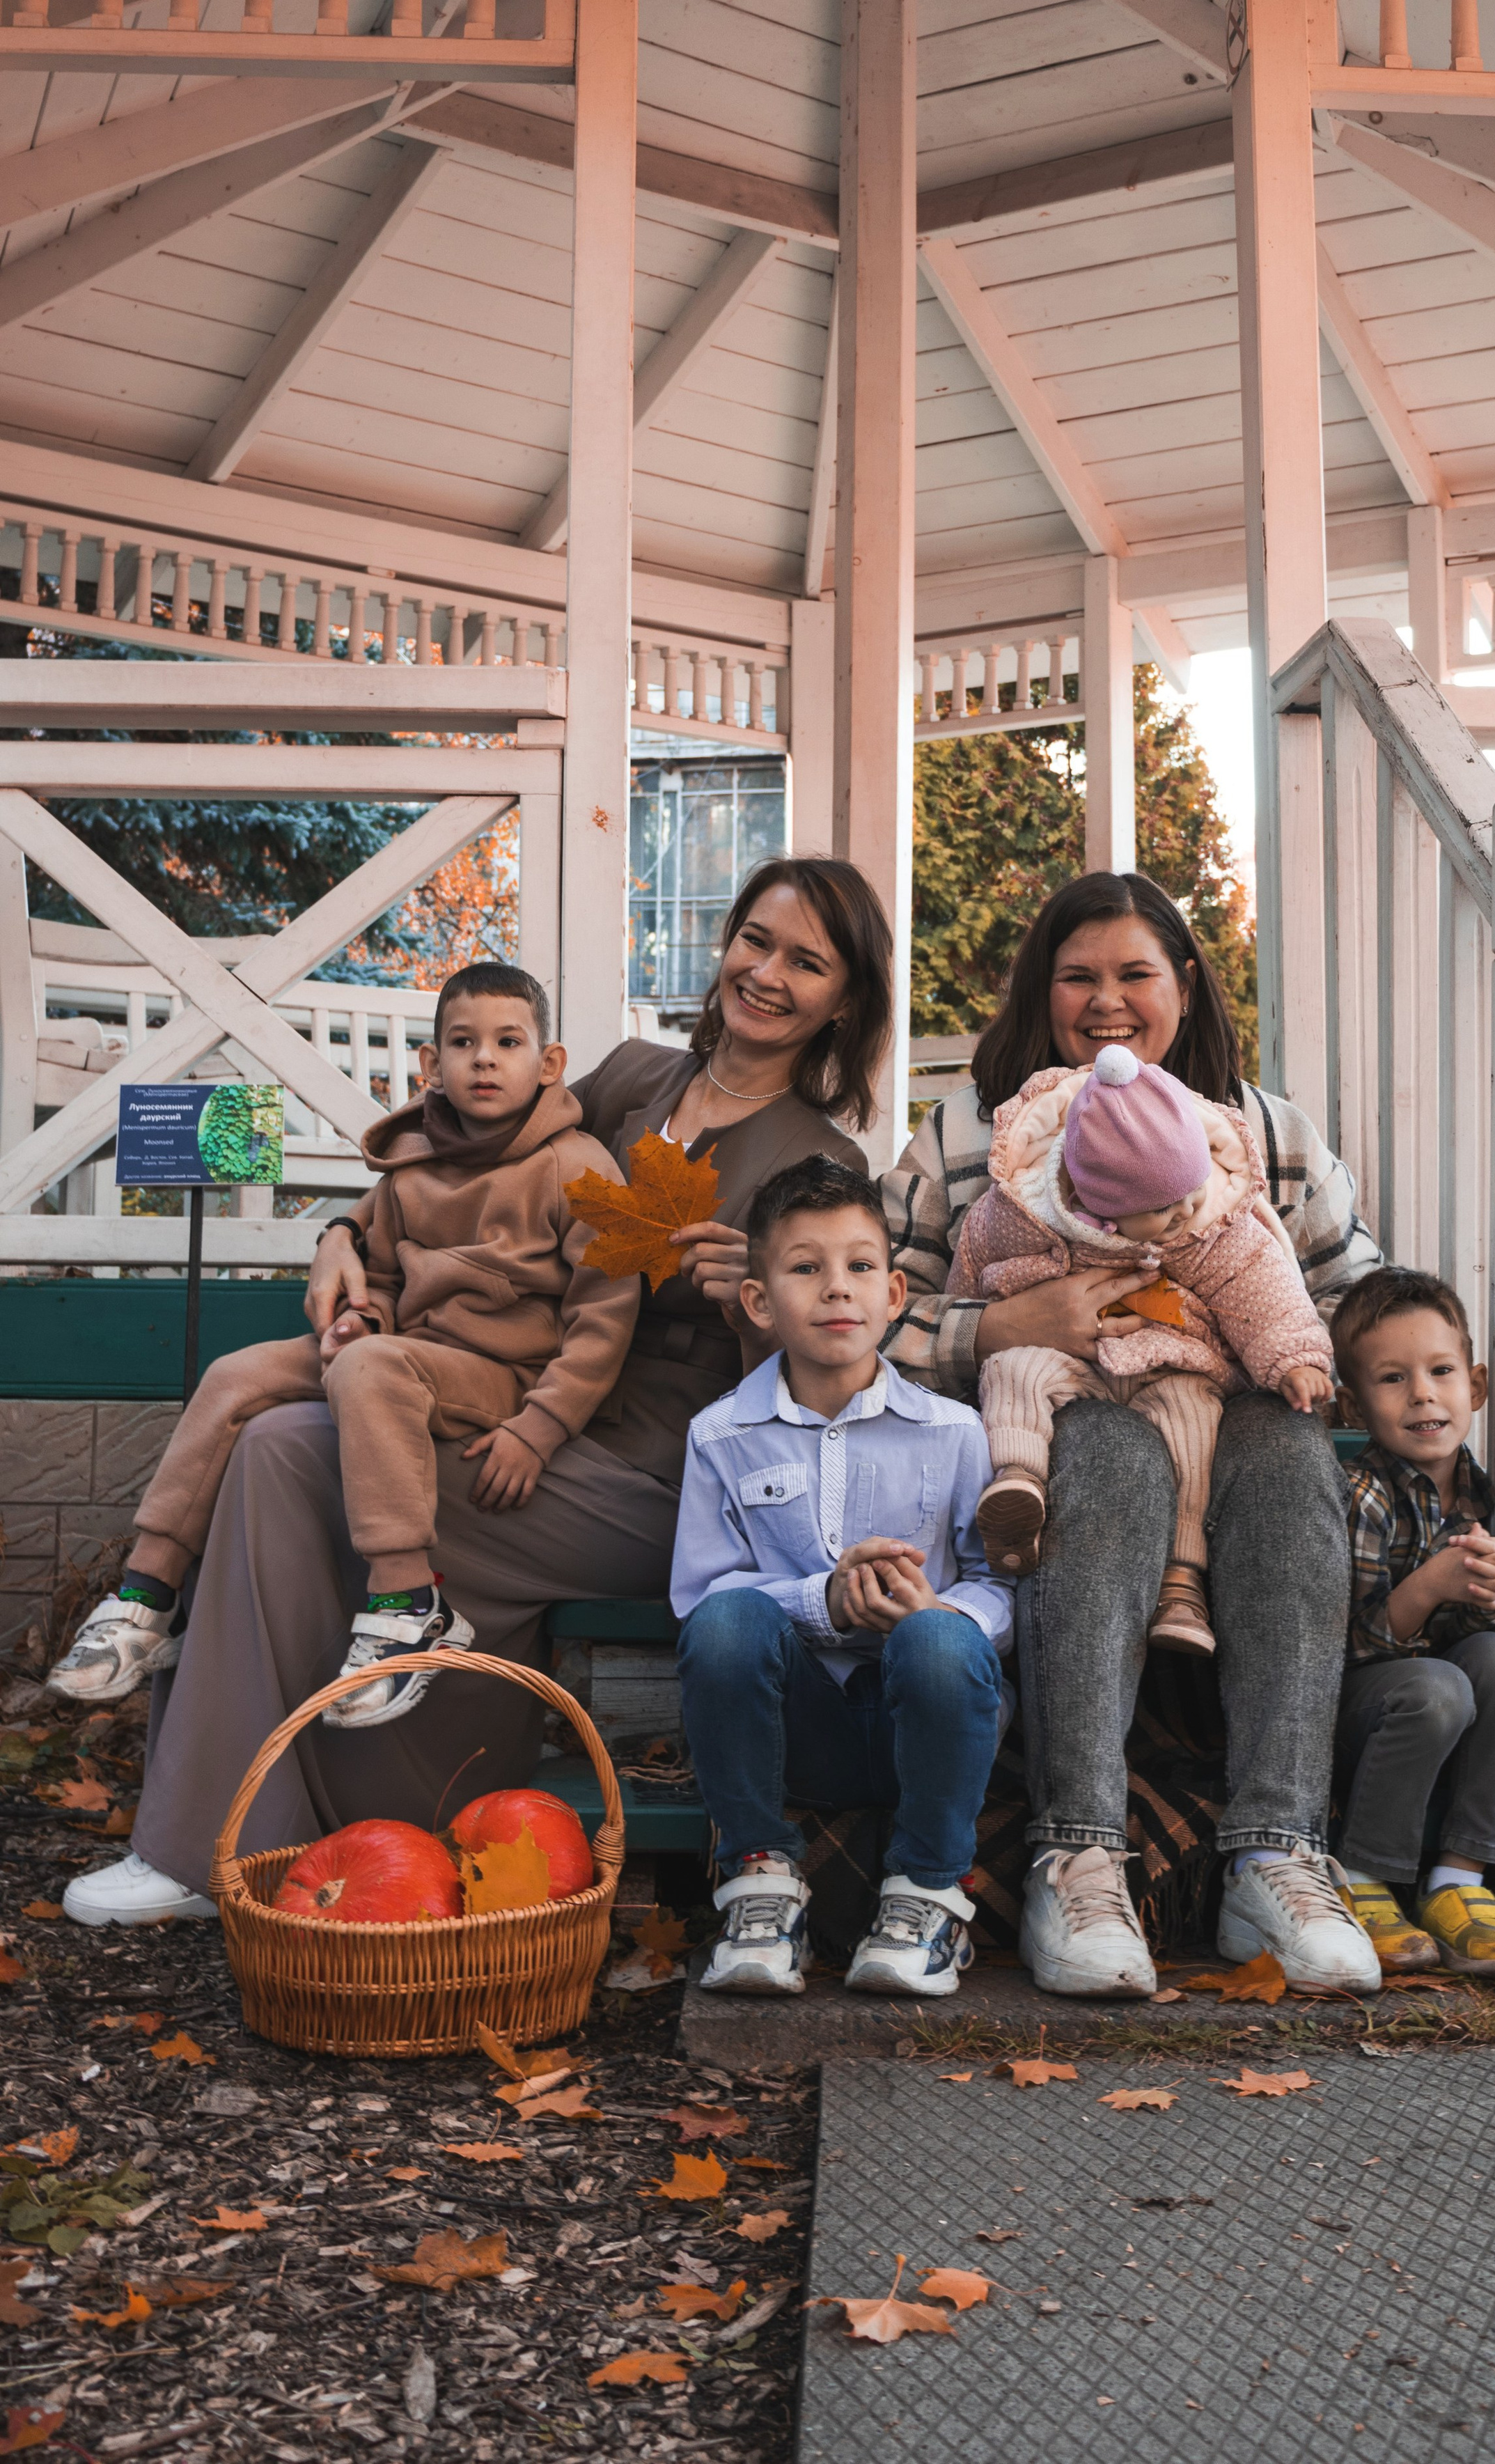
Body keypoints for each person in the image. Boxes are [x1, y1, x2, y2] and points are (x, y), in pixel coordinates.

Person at [62, 857, 892, 1928]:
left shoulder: (821, 1158)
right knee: (275, 1436)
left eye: (807, 963)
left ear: (845, 1000)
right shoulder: (629, 1077)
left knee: (288, 1451)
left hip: (651, 1469)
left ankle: (230, 1837)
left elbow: (822, 1385)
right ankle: (239, 1837)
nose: (768, 974)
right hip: (507, 1386)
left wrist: (755, 1309)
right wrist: (342, 1235)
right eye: (756, 941)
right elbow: (458, 1160)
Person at [882, 870, 1385, 1999]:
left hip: (1228, 1417)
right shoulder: (972, 1133)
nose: (1106, 1000)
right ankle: (1079, 1855)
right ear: (1042, 991)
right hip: (1051, 1416)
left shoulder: (1264, 1131)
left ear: (1185, 985)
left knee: (1290, 1453)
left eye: (1134, 974)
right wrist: (1000, 1325)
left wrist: (1282, 1340)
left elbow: (1357, 1295)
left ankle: (1276, 1853)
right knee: (1107, 1453)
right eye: (1078, 977)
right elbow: (873, 1309)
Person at [51, 964, 639, 1727]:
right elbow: (386, 1276)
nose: (485, 1060)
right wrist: (364, 1318)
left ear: (549, 1063)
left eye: (508, 1042)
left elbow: (607, 1310)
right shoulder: (411, 1168)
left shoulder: (580, 1166)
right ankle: (146, 1598)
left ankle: (408, 1603)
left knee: (371, 1366)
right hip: (405, 1356)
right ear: (432, 1064)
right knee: (235, 1375)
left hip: (510, 1374)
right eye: (463, 1043)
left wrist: (542, 1426)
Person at [674, 1157, 1009, 1999]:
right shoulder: (720, 1435)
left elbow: (999, 1583)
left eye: (859, 1266)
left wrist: (935, 1611)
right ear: (759, 1303)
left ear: (893, 1294)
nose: (836, 1288)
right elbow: (700, 1599)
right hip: (800, 1727)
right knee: (727, 1622)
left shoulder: (953, 1431)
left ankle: (927, 1895)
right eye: (805, 1268)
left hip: (926, 1716)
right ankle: (759, 1883)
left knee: (942, 1639)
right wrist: (820, 1600)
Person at [952, 1040, 1332, 1653]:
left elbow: (1261, 1288)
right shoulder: (1024, 1214)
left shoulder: (1209, 1221)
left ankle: (1183, 1580)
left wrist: (1295, 1359)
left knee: (1193, 1419)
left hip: (1168, 1360)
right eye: (1161, 1207)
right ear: (1096, 1201)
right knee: (1012, 1371)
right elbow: (972, 1267)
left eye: (1192, 1189)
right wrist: (976, 1328)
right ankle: (1017, 1483)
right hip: (1070, 1360)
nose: (1186, 1210)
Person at [1328, 1266, 1495, 1983]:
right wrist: (1430, 1585)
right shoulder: (1361, 1494)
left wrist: (1487, 1596)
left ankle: (1459, 1881)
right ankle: (1363, 1878)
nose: (1422, 1393)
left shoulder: (1475, 1489)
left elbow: (1482, 1644)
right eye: (1393, 1378)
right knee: (1437, 1686)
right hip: (1364, 1716)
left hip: (1439, 1702)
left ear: (1474, 1387)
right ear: (1352, 1404)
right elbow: (1351, 1646)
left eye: (1441, 1371)